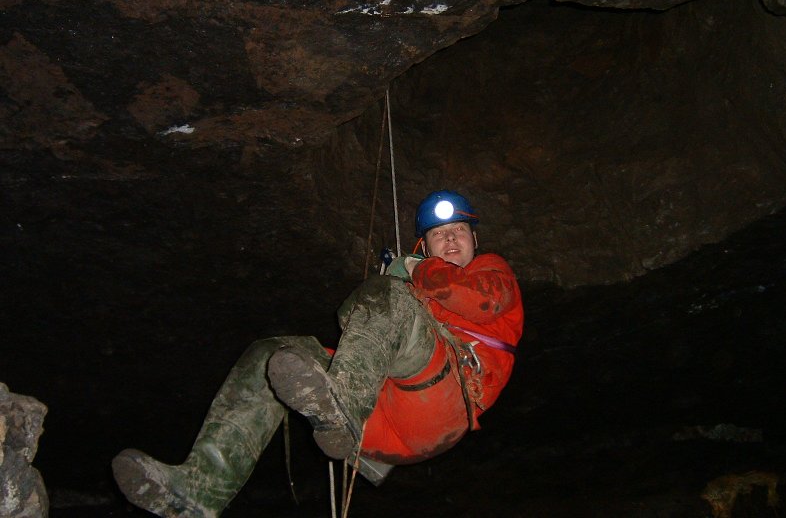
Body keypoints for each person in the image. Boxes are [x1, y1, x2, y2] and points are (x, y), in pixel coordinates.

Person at [112, 190, 524, 517]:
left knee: (388, 297)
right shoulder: (418, 286)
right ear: (426, 244)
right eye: (439, 234)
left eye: (459, 231)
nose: (451, 238)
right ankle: (198, 491)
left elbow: (478, 301)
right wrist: (384, 289)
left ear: (476, 240)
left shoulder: (492, 271)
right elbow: (350, 316)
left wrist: (413, 269)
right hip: (377, 420)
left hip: (439, 404)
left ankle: (341, 403)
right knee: (272, 354)